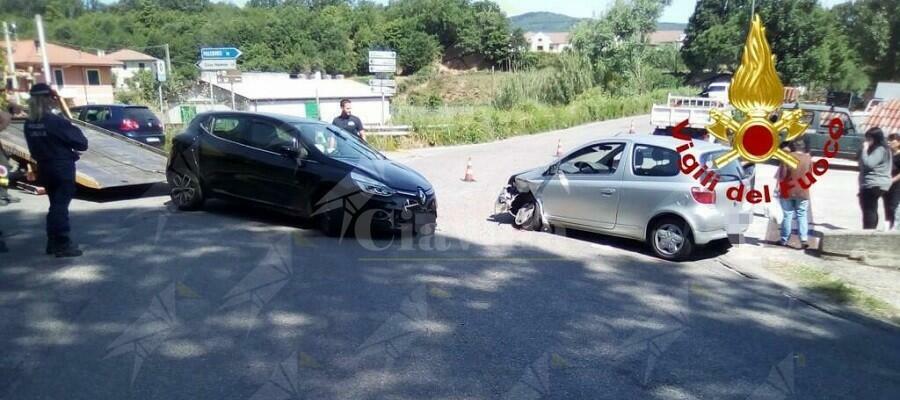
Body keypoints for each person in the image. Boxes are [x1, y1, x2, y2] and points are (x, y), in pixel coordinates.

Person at [23, 83, 88, 257]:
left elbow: (33, 149)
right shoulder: (55, 121)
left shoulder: (29, 123)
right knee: (60, 207)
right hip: (62, 168)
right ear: (49, 100)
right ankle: (61, 244)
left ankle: (52, 243)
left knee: (55, 205)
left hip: (44, 167)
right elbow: (82, 143)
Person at [776, 140, 813, 248]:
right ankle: (804, 239)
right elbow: (810, 175)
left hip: (788, 190)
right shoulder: (808, 158)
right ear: (803, 147)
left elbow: (782, 175)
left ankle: (784, 240)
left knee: (787, 215)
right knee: (802, 215)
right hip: (803, 191)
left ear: (793, 147)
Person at [857, 128, 892, 230]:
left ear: (875, 138)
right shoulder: (883, 149)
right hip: (876, 184)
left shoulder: (880, 150)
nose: (866, 141)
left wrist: (864, 149)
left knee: (869, 210)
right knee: (872, 209)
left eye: (868, 139)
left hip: (874, 183)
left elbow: (869, 164)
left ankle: (868, 232)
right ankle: (871, 230)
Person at [887, 133, 900, 231]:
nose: (890, 143)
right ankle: (889, 225)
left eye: (892, 141)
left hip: (896, 184)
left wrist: (893, 180)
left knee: (894, 205)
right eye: (889, 140)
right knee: (888, 205)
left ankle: (894, 227)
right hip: (887, 183)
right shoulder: (889, 154)